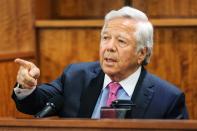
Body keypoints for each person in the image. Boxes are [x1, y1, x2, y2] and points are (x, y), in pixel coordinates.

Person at [12, 6, 189, 119]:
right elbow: (36, 103)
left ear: (141, 53)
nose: (109, 47)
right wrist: (26, 86)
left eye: (121, 41)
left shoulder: (168, 100)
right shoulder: (75, 77)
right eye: (105, 38)